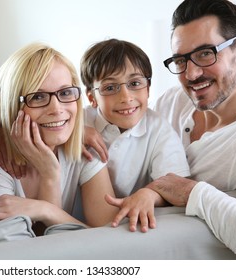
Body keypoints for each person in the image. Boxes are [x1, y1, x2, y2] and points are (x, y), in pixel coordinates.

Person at [150, 0, 236, 259]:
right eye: (181, 60)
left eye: (205, 53)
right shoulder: (172, 102)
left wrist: (193, 193)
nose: (191, 74)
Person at [0, 42, 118, 231]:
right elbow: (41, 254)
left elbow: (109, 239)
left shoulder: (87, 149)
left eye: (65, 93)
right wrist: (49, 176)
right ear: (12, 106)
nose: (56, 109)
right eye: (38, 97)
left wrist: (48, 211)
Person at [80, 38, 190, 232]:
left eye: (134, 83)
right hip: (74, 222)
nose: (126, 97)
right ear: (92, 97)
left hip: (121, 227)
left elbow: (175, 184)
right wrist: (75, 133)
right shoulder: (80, 121)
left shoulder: (159, 130)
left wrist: (150, 194)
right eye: (110, 87)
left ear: (148, 89)